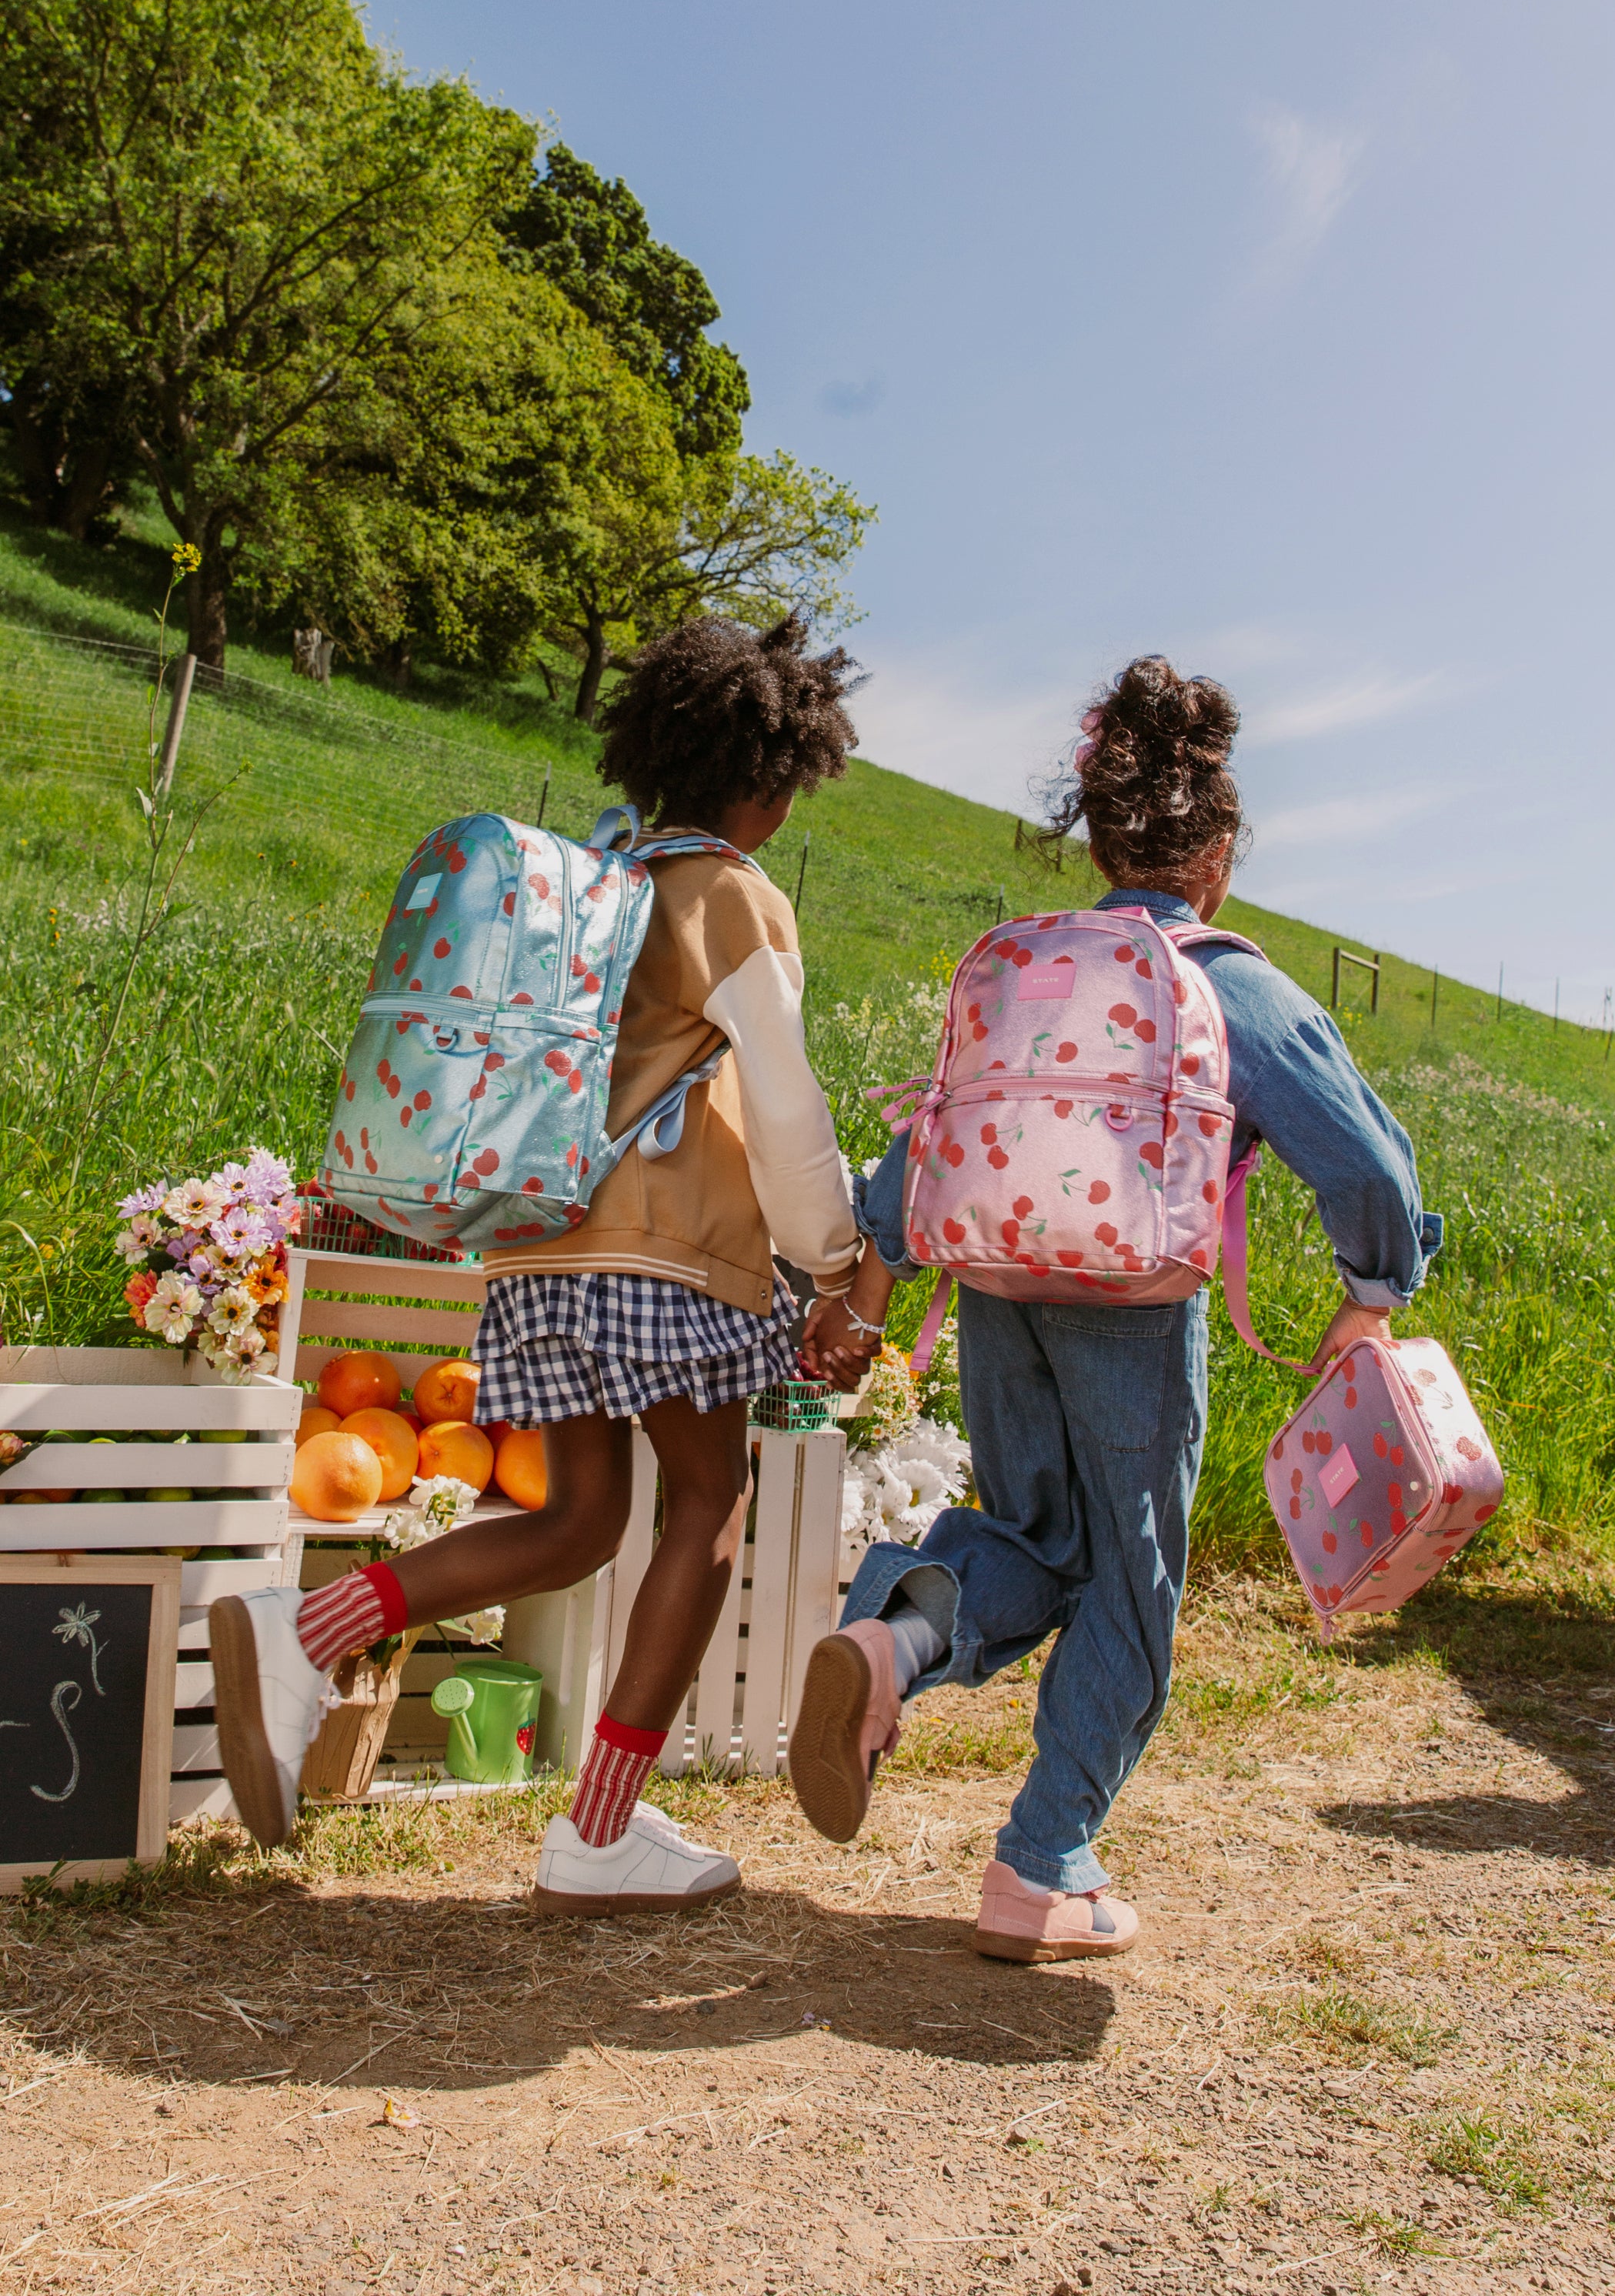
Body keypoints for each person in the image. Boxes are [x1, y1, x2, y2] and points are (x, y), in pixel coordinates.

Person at [790, 655, 1441, 1964]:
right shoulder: (1227, 979)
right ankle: (1045, 1863)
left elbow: (928, 1148)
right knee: (1134, 1578)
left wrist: (874, 1279)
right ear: (1217, 856)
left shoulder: (1030, 969)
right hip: (1130, 1303)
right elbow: (1366, 1161)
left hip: (995, 1286)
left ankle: (891, 1640)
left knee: (1032, 1533)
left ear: (1095, 838)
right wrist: (1376, 1292)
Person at [212, 615, 864, 1911]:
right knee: (711, 1513)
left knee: (576, 1522)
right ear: (776, 778)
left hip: (537, 1249)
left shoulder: (602, 881)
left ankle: (305, 1635)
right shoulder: (730, 892)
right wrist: (835, 1258)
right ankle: (601, 1833)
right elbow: (785, 1109)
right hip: (668, 1262)